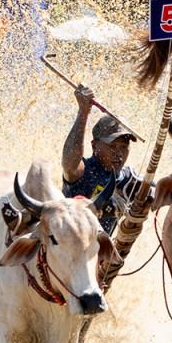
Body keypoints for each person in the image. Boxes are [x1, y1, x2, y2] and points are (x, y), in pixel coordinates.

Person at [61, 84, 141, 234]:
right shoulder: (83, 171)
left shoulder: (129, 179)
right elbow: (69, 166)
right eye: (113, 146)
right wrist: (83, 112)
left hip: (100, 253)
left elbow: (166, 193)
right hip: (66, 248)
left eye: (124, 147)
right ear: (94, 145)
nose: (119, 154)